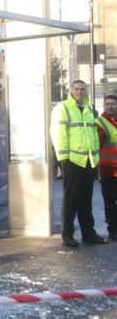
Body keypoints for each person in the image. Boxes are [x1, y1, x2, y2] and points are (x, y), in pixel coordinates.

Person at [50, 79, 107, 247]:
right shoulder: (63, 108)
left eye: (82, 89)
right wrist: (63, 159)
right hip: (72, 161)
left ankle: (88, 234)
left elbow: (93, 135)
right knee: (71, 200)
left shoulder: (88, 109)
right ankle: (67, 235)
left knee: (86, 200)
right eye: (77, 89)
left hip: (88, 160)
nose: (80, 92)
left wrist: (95, 157)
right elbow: (59, 134)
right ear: (71, 90)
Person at [97, 94, 117, 241]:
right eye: (108, 104)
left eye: (113, 104)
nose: (111, 106)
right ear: (104, 105)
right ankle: (113, 229)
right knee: (110, 201)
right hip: (107, 169)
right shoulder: (100, 122)